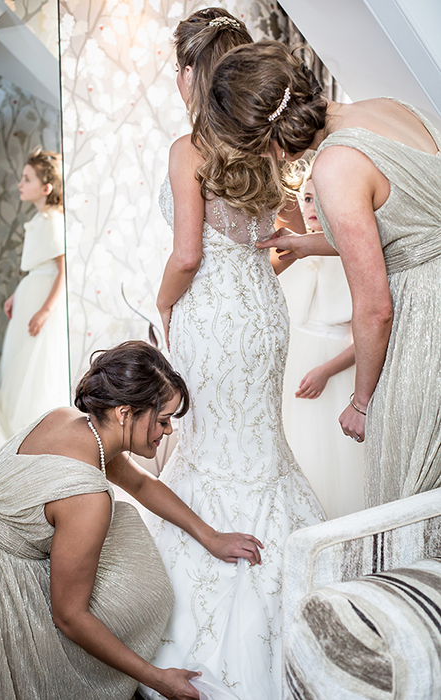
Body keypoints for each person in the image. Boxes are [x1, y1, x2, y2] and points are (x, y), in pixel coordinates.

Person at [143, 11, 325, 700]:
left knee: (211, 447)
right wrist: (248, 283)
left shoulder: (189, 145)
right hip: (261, 312)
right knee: (257, 448)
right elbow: (289, 233)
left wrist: (163, 306)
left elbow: (187, 255)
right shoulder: (257, 140)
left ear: (192, 70)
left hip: (210, 321)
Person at [0, 340, 263, 700]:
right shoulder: (89, 498)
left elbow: (140, 482)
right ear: (125, 413)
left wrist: (210, 536)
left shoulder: (65, 419)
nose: (168, 431)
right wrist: (157, 678)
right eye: (162, 420)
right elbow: (69, 617)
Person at [205, 40, 441, 507]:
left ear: (269, 137)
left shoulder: (335, 166)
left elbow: (374, 308)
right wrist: (301, 242)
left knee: (411, 501)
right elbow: (406, 224)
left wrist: (360, 401)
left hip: (426, 318)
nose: (268, 161)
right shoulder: (390, 107)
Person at [280, 172, 364, 518]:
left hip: (331, 370)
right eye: (307, 198)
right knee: (293, 449)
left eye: (320, 198)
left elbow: (371, 336)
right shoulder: (287, 251)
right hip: (290, 370)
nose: (312, 207)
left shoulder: (355, 254)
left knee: (329, 460)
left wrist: (326, 372)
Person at [0, 147, 70, 434]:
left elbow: (62, 271)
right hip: (31, 294)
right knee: (21, 364)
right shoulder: (41, 219)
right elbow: (40, 266)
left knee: (37, 369)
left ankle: (38, 431)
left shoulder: (53, 221)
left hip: (42, 301)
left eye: (27, 179)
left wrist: (45, 310)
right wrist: (18, 294)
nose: (20, 184)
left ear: (46, 187)